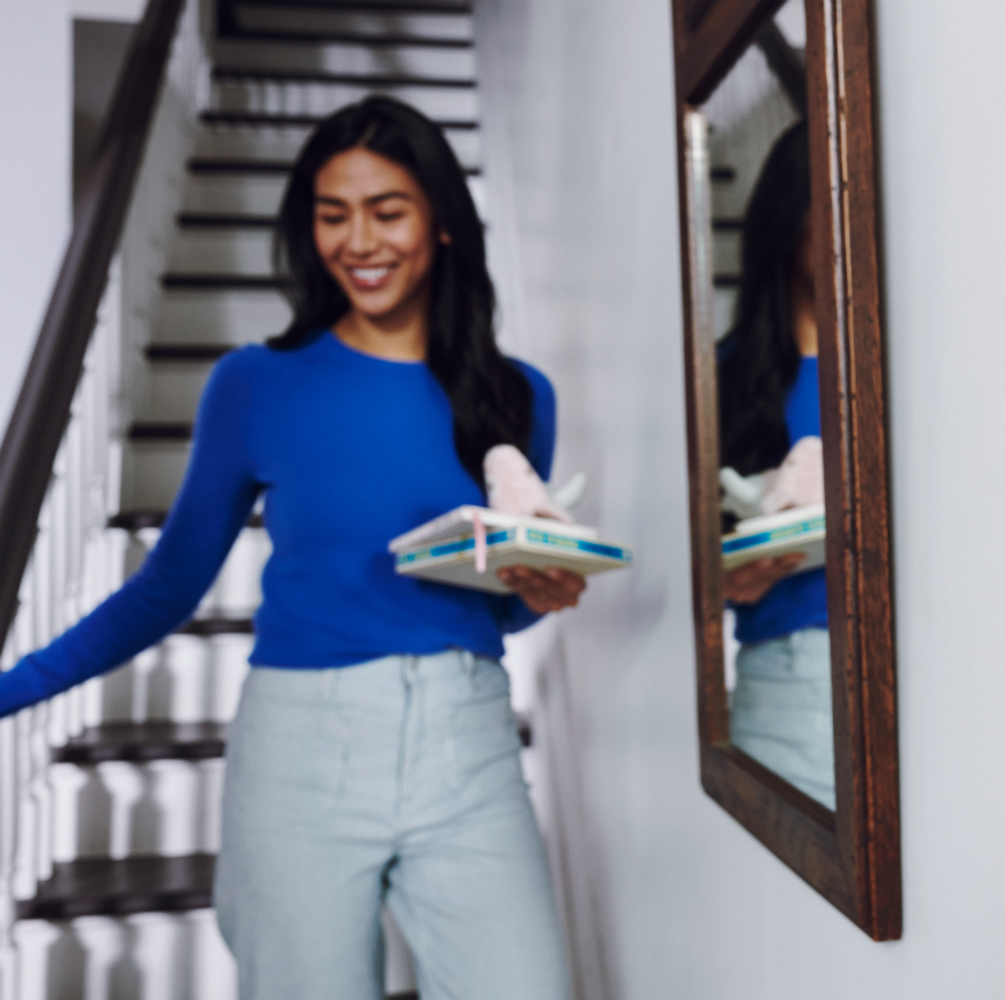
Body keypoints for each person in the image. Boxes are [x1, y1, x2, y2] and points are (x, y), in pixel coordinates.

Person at [0, 96, 577, 1000]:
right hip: (302, 747)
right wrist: (14, 687)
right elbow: (167, 587)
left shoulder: (519, 396)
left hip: (468, 741)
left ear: (442, 224)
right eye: (331, 213)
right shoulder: (255, 385)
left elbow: (491, 606)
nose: (359, 240)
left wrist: (534, 592)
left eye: (387, 211)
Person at [716, 121, 835, 809]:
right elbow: (691, 569)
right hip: (786, 682)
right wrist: (734, 574)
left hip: (931, 665)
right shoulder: (721, 381)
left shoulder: (906, 366)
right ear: (788, 216)